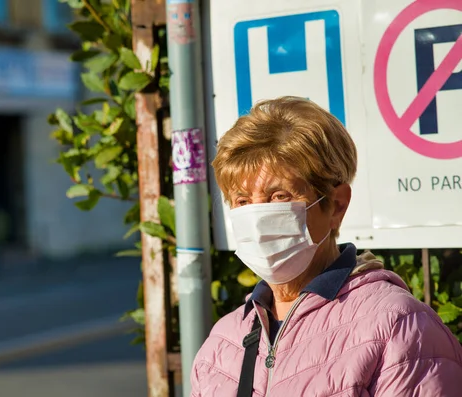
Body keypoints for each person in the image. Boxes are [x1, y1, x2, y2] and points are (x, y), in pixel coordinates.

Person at [190, 96, 462, 396]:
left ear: (336, 205)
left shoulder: (397, 327)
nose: (257, 216)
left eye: (279, 196)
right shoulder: (221, 346)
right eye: (242, 201)